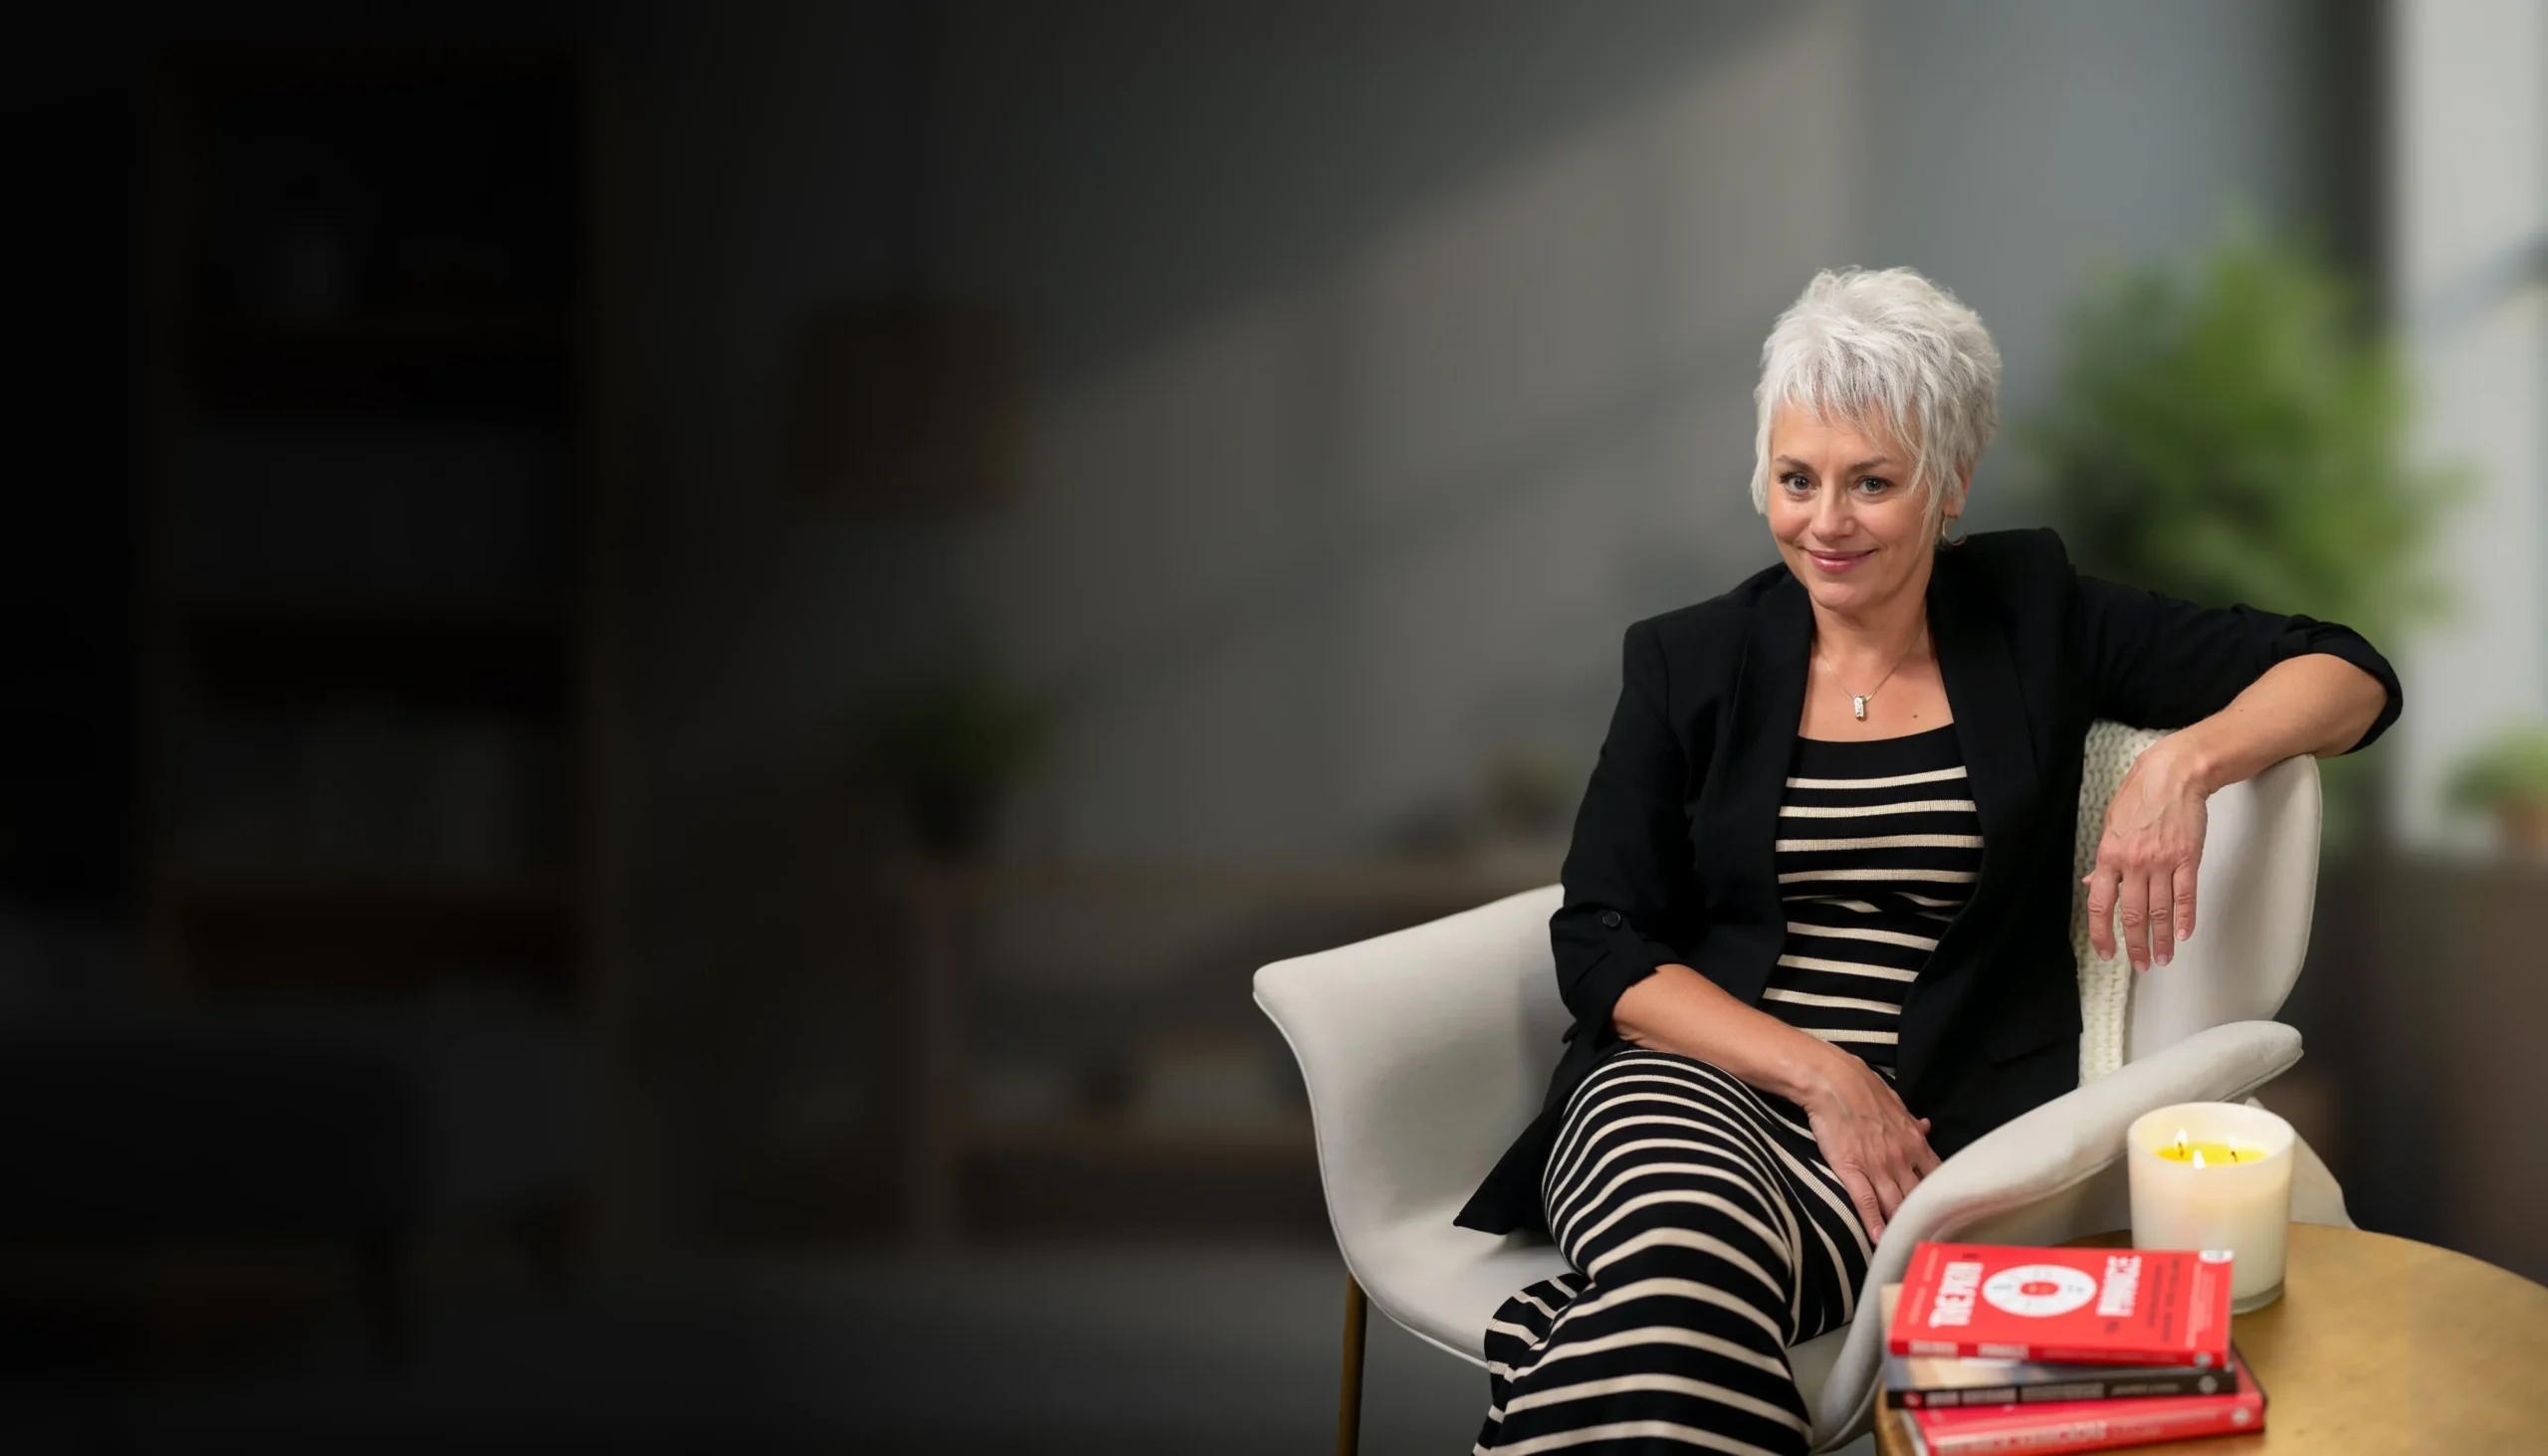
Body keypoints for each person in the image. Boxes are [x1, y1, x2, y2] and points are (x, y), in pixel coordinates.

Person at [1453, 266, 2400, 1455]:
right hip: (1683, 1085)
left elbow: (2349, 670)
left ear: (1949, 484)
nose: (1825, 521)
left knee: (1666, 1318)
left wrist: (2184, 764)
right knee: (1682, 1249)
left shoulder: (2036, 616)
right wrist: (1821, 1076)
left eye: (1871, 483)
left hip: (1919, 1140)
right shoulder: (1686, 661)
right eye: (1795, 480)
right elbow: (1597, 940)